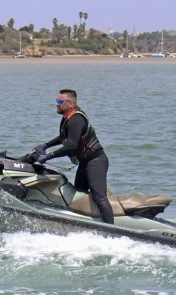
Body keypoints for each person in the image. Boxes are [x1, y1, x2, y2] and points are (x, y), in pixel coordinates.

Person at [32, 89, 114, 224]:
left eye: (59, 101)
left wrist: (48, 156)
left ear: (70, 103)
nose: (56, 104)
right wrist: (46, 145)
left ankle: (112, 229)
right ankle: (85, 222)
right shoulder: (67, 118)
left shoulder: (76, 119)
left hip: (96, 161)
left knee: (99, 196)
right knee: (79, 194)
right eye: (56, 101)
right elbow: (64, 137)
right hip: (85, 163)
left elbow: (71, 145)